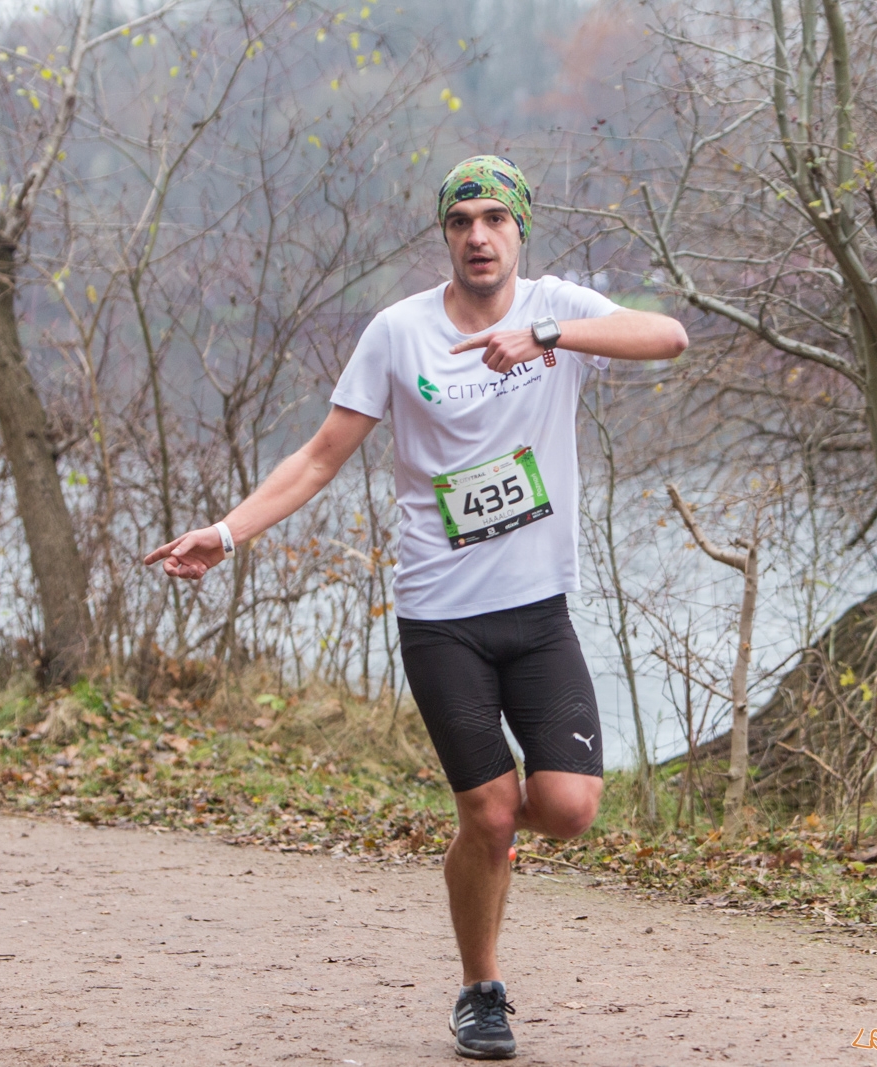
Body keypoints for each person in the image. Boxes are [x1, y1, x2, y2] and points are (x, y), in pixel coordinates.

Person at [145, 155, 687, 1060]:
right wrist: (227, 533)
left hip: (539, 611)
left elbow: (668, 336)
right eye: (461, 221)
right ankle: (482, 990)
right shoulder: (398, 332)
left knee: (567, 807)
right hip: (442, 619)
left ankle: (482, 840)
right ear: (446, 236)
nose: (479, 236)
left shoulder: (557, 308)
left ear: (520, 230)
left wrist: (547, 335)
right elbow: (320, 456)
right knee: (493, 812)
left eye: (496, 219)